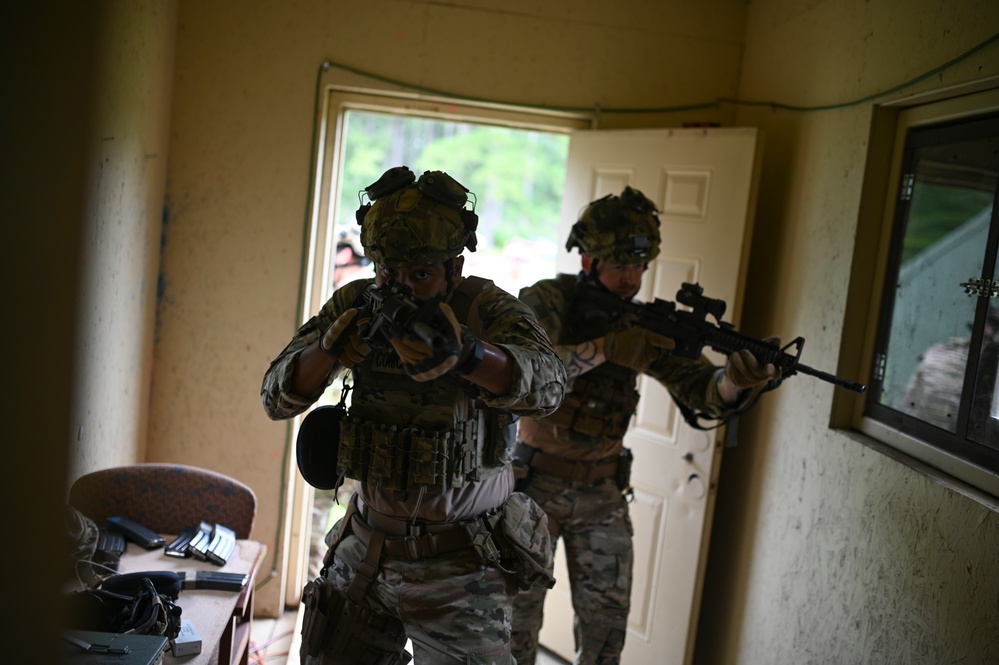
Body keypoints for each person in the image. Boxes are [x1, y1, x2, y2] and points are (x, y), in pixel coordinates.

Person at [261, 165, 567, 665]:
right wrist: (330, 351)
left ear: (454, 269)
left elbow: (549, 387)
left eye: (420, 274)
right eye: (388, 272)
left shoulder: (485, 309)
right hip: (365, 551)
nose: (399, 287)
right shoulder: (359, 302)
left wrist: (469, 357)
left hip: (461, 566)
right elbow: (276, 397)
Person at [509, 186, 780, 665]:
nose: (631, 278)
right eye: (620, 266)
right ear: (589, 260)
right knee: (513, 629)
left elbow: (702, 391)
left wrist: (737, 381)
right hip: (532, 486)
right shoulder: (549, 301)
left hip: (603, 496)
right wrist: (607, 350)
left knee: (607, 635)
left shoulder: (642, 324)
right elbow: (526, 375)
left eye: (639, 267)